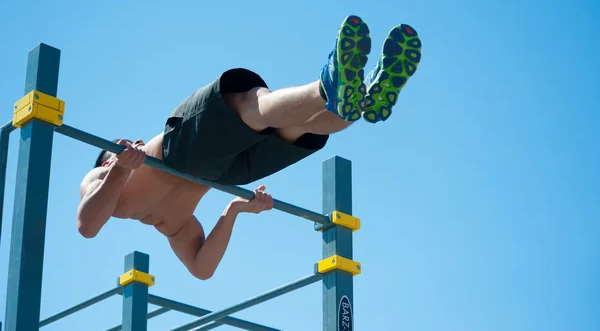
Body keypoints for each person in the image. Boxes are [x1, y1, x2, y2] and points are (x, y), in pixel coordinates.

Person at [77, 15, 422, 280]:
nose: (131, 146)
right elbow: (200, 268)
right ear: (107, 161)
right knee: (292, 130)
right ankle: (354, 100)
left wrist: (128, 165)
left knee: (248, 106)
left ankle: (338, 91)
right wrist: (232, 213)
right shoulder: (168, 223)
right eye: (119, 150)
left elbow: (86, 224)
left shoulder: (128, 188)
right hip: (223, 173)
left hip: (182, 151)